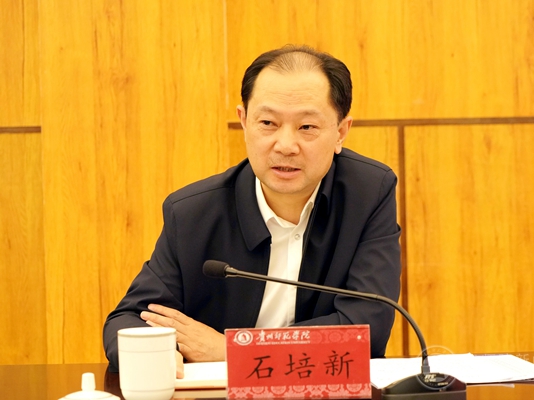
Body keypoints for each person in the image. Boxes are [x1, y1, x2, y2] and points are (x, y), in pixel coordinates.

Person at [103, 45, 401, 375]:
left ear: (341, 132)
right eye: (268, 123)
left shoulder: (367, 194)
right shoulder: (193, 214)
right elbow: (129, 320)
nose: (285, 146)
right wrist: (157, 355)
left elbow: (367, 329)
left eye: (307, 127)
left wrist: (235, 350)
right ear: (244, 121)